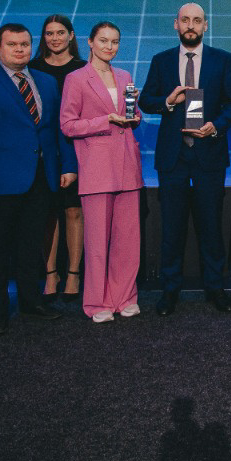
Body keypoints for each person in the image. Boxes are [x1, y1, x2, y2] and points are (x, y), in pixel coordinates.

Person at [0, 23, 77, 334]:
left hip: (41, 179)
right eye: (12, 44)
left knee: (30, 247)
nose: (20, 49)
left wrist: (68, 165)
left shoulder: (46, 82)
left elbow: (57, 129)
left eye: (25, 44)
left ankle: (31, 302)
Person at [140, 3, 231, 316]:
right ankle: (170, 290)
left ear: (205, 26)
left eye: (197, 20)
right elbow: (145, 101)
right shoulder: (161, 61)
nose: (191, 25)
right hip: (173, 157)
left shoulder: (222, 59)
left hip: (209, 154)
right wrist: (168, 101)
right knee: (172, 228)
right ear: (176, 24)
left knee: (211, 227)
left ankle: (216, 288)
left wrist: (215, 126)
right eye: (185, 20)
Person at [59, 21, 144, 322]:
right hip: (96, 168)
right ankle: (97, 303)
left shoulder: (124, 76)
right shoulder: (76, 79)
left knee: (127, 240)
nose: (110, 47)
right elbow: (68, 125)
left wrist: (134, 114)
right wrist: (105, 120)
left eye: (115, 42)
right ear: (90, 42)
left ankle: (125, 297)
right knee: (96, 242)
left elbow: (132, 117)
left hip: (127, 165)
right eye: (104, 40)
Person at [30, 13, 87, 303]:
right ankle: (51, 274)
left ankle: (73, 274)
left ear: (71, 35)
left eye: (60, 32)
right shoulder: (32, 69)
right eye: (49, 33)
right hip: (43, 151)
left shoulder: (83, 68)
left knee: (74, 210)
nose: (55, 38)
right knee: (48, 213)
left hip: (76, 148)